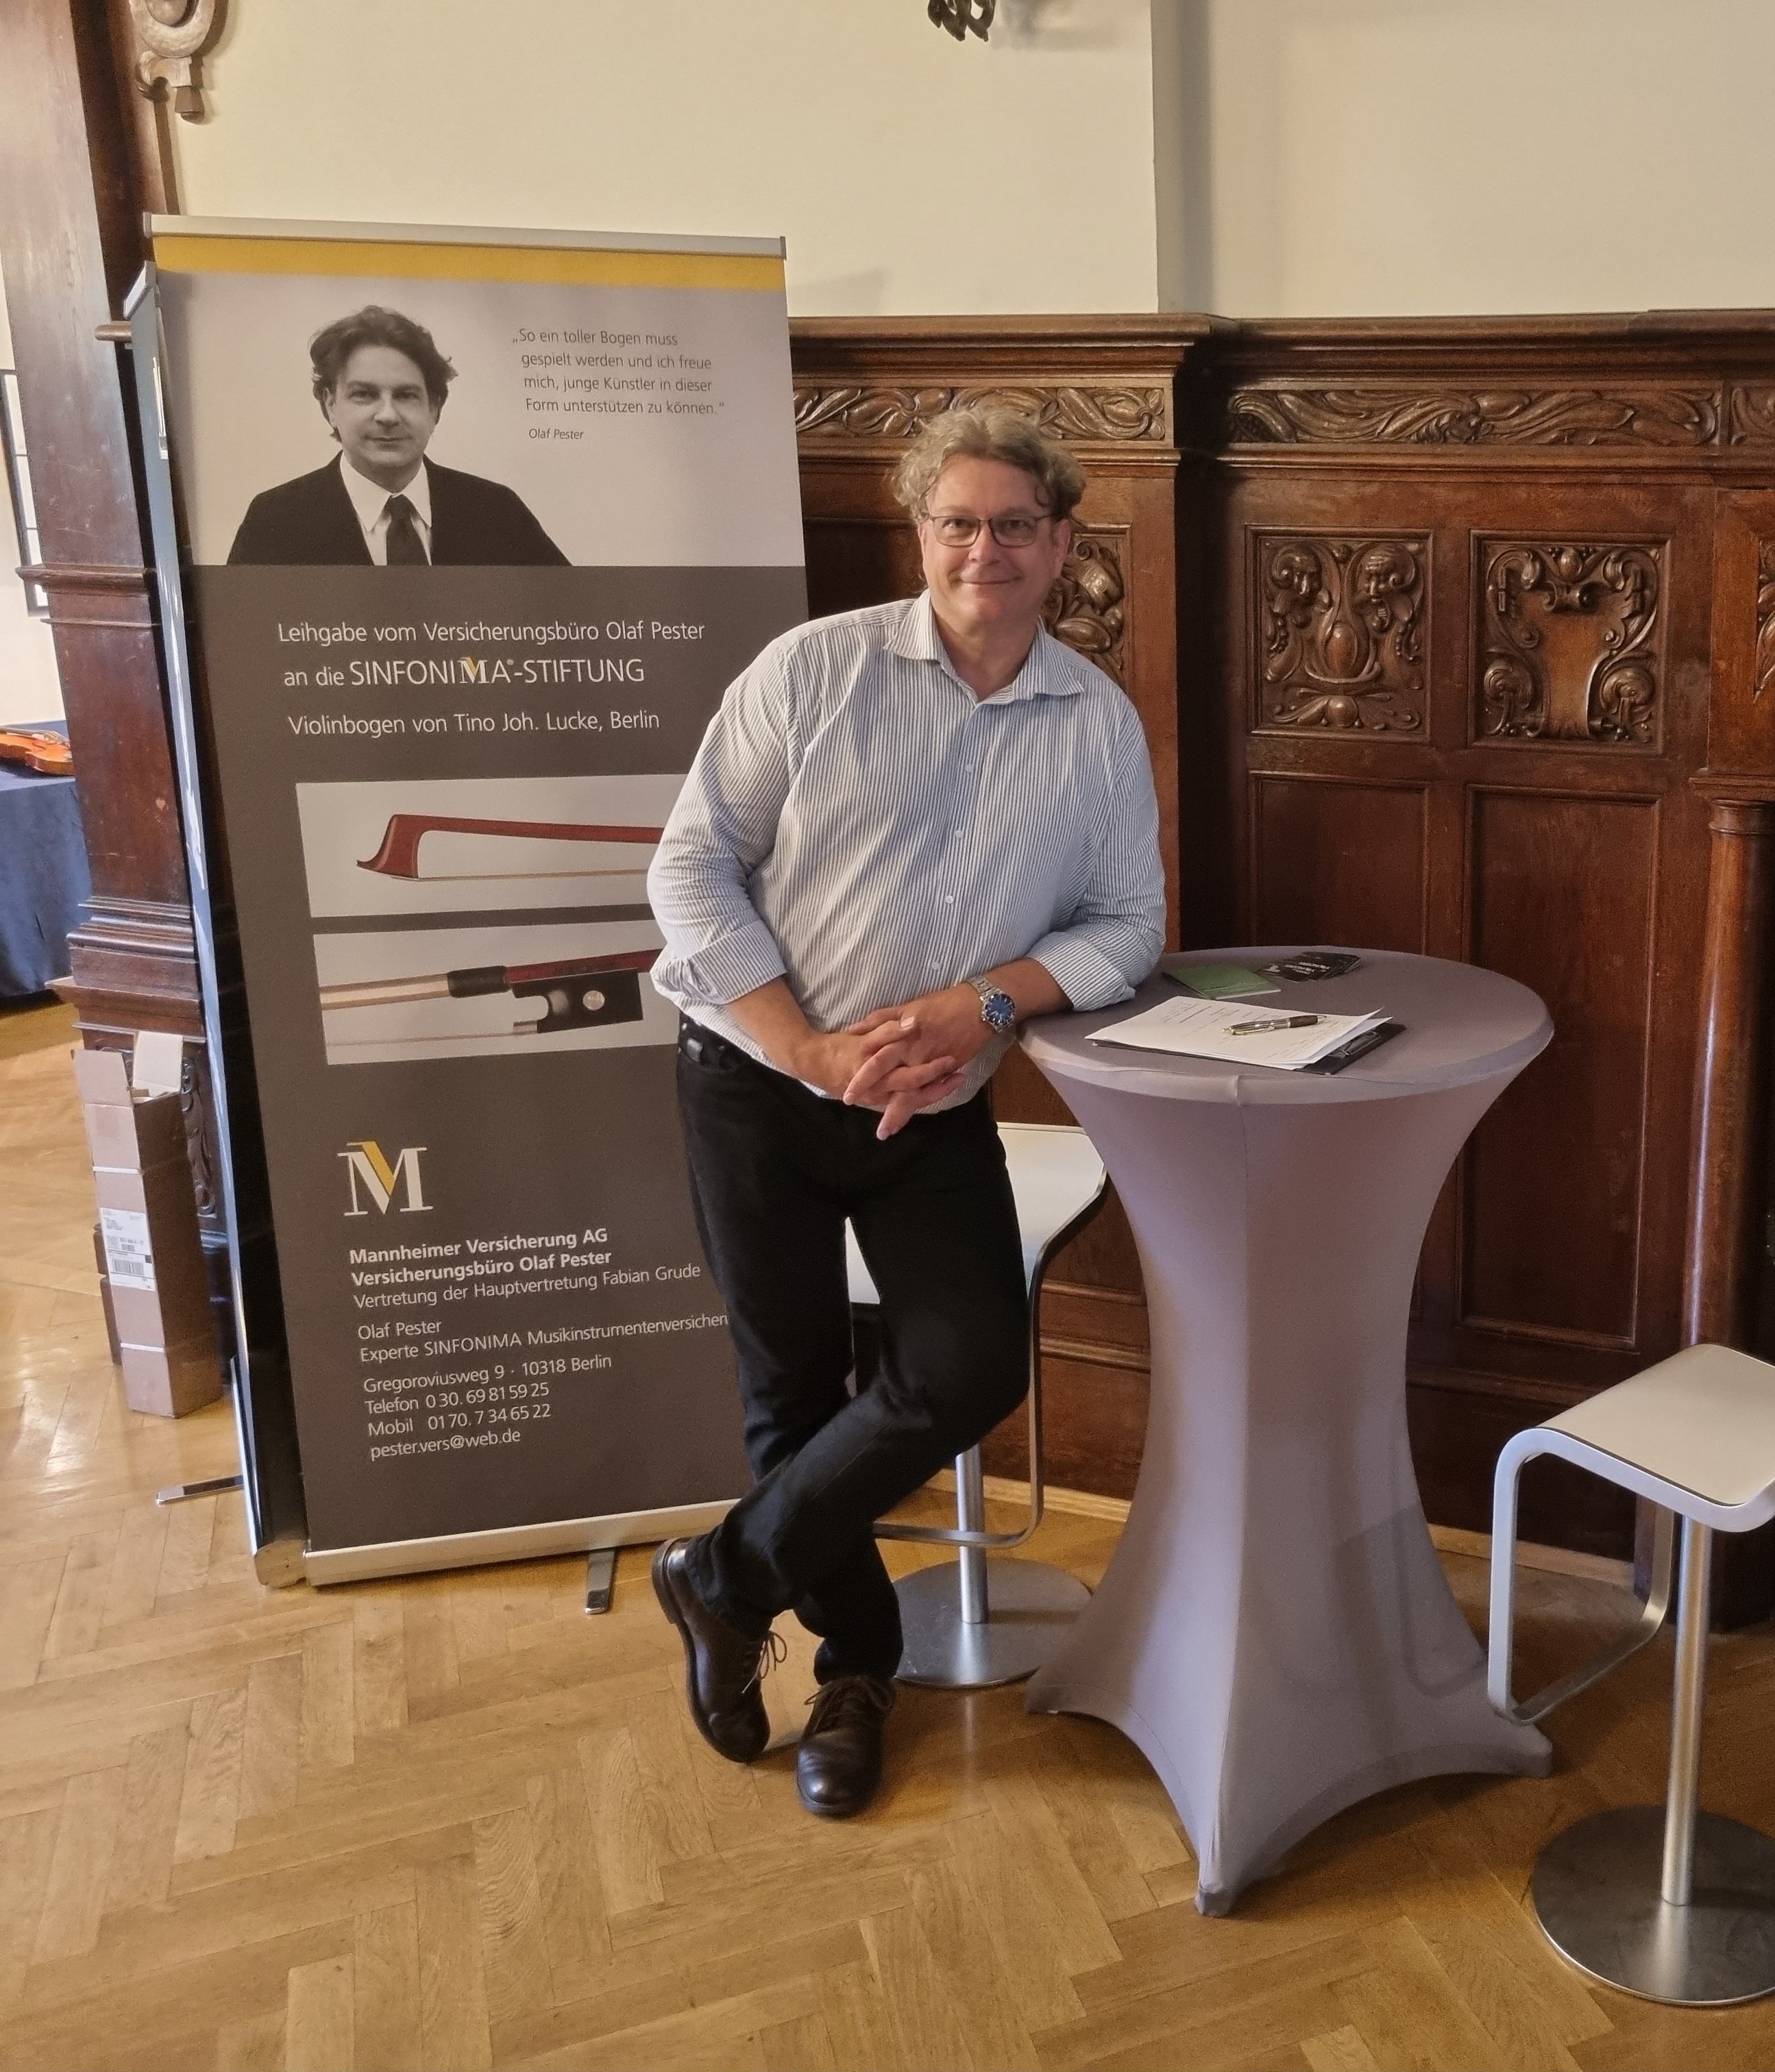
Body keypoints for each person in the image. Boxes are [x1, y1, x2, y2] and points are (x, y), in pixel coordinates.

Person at [642, 408, 1163, 1816]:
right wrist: (806, 1048)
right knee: (793, 1393)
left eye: (1015, 525)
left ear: (1061, 542)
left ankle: (723, 1576)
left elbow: (1129, 923)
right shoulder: (812, 669)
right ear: (920, 532)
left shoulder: (1094, 723)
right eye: (958, 521)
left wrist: (985, 1004)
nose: (985, 549)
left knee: (971, 1362)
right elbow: (689, 871)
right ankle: (856, 1675)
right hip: (755, 1083)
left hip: (932, 1109)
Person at [225, 306, 567, 566]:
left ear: (434, 409)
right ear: (330, 405)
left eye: (406, 395)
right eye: (364, 394)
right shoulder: (275, 521)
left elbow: (570, 625)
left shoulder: (498, 513)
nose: (388, 415)